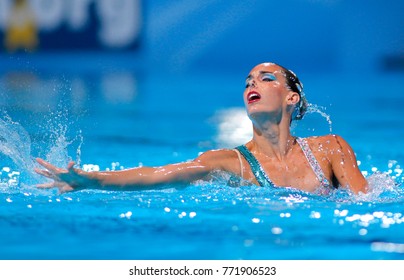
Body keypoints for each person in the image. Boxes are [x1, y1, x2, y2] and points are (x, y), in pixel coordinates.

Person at [35, 62, 368, 194]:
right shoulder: (229, 162)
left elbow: (366, 202)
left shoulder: (330, 148)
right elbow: (158, 174)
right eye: (248, 81)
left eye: (266, 79)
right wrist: (91, 180)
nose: (253, 83)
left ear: (291, 98)